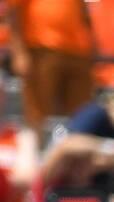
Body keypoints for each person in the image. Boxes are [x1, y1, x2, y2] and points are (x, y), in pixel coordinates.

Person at [9, 0, 95, 134]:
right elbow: (14, 12)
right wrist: (19, 52)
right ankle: (37, 151)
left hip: (79, 51)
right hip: (42, 50)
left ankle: (76, 152)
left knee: (81, 115)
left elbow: (83, 11)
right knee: (38, 115)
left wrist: (92, 44)